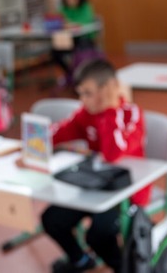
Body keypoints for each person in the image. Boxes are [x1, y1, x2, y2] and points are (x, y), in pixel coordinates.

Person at [39, 59, 150, 273]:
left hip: (128, 192)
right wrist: (33, 142)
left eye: (87, 93)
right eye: (80, 93)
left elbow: (112, 153)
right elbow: (59, 132)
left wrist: (109, 110)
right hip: (95, 185)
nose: (82, 100)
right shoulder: (86, 114)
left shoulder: (131, 115)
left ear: (107, 90)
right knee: (51, 219)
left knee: (98, 235)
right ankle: (81, 261)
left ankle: (123, 268)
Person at [52, 0, 99, 86]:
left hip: (84, 38)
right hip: (69, 39)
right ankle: (71, 73)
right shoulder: (64, 8)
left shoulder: (85, 6)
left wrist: (71, 24)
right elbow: (59, 19)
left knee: (79, 50)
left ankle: (79, 75)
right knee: (55, 52)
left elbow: (85, 22)